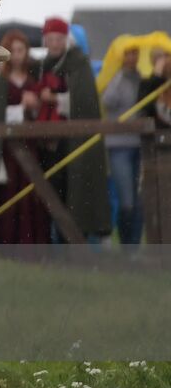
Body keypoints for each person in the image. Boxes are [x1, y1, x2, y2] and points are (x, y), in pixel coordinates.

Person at [0, 30, 50, 244]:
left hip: (30, 146)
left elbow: (39, 115)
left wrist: (36, 106)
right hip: (5, 149)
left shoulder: (34, 79)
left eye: (20, 50)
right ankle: (5, 244)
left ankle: (28, 245)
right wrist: (20, 107)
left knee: (30, 195)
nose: (16, 55)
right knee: (5, 194)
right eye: (12, 51)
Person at [39, 17, 110, 242]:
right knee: (55, 192)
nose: (55, 43)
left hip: (75, 140)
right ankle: (58, 244)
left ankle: (75, 243)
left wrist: (54, 98)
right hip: (52, 141)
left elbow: (84, 102)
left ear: (65, 40)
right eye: (50, 39)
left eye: (59, 39)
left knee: (78, 193)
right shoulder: (45, 65)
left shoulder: (78, 62)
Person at [101, 43, 144, 246]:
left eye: (136, 53)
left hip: (139, 144)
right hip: (119, 146)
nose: (132, 58)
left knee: (138, 201)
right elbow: (108, 102)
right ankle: (126, 244)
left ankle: (133, 246)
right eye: (128, 54)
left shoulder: (141, 80)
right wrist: (119, 78)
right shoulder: (115, 79)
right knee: (126, 200)